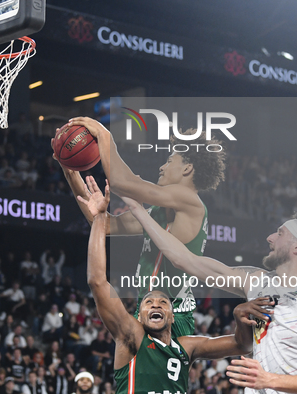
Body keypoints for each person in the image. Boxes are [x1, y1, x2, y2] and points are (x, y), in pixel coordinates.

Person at [124, 196, 297, 394]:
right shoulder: (257, 281)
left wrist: (268, 379)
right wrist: (138, 211)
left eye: (280, 233)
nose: (270, 238)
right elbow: (184, 260)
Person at [79, 178, 272, 394]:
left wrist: (239, 315)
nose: (156, 305)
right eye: (148, 302)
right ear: (139, 316)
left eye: (163, 302)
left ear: (172, 316)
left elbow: (242, 345)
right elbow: (97, 280)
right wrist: (98, 219)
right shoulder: (130, 336)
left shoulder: (186, 347)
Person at [56, 117, 226, 338]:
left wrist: (104, 136)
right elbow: (104, 223)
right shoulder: (156, 212)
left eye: (169, 160)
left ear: (187, 168)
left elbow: (122, 183)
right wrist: (70, 171)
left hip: (172, 315)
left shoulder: (190, 199)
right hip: (149, 310)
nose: (162, 166)